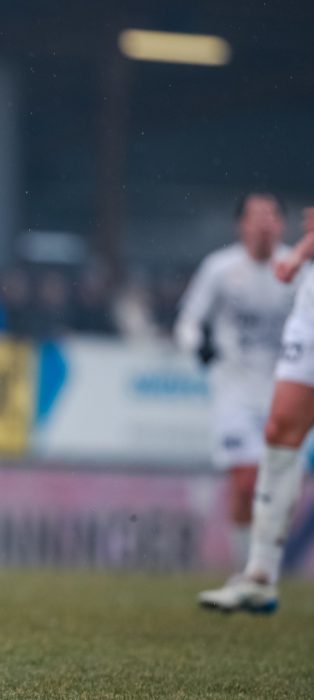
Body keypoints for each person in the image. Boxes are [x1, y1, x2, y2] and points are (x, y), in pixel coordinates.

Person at [199, 204, 314, 614]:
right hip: (309, 310)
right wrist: (302, 253)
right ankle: (259, 577)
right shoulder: (220, 267)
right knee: (280, 432)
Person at [176, 192, 296, 571]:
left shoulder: (299, 271)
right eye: (256, 216)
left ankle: (263, 566)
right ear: (241, 225)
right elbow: (189, 321)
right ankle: (249, 569)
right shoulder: (219, 269)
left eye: (271, 215)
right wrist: (198, 346)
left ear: (282, 225)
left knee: (279, 488)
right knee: (246, 482)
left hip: (287, 390)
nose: (264, 224)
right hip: (235, 389)